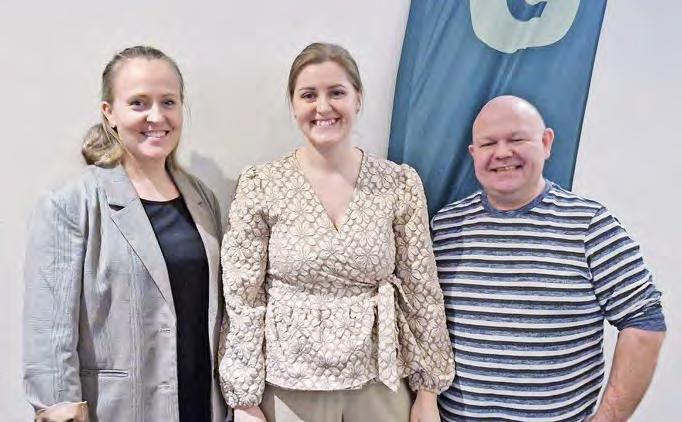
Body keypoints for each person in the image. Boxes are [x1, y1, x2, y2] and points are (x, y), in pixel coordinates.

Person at [219, 42, 455, 422]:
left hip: (380, 381)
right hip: (290, 383)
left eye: (337, 92)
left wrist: (428, 392)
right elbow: (243, 297)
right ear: (293, 105)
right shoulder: (261, 184)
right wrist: (243, 399)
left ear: (358, 99)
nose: (323, 107)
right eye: (309, 95)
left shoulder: (398, 183)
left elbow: (421, 290)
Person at [23, 46, 227, 422]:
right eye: (138, 103)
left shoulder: (203, 200)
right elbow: (49, 337)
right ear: (110, 113)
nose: (156, 116)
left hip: (202, 408)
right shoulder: (72, 204)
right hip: (119, 410)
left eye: (168, 102)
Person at [432, 95, 666, 421]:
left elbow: (644, 322)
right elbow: (424, 323)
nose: (502, 153)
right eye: (488, 143)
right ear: (474, 153)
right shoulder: (445, 227)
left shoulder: (589, 226)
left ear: (546, 143)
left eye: (516, 139)